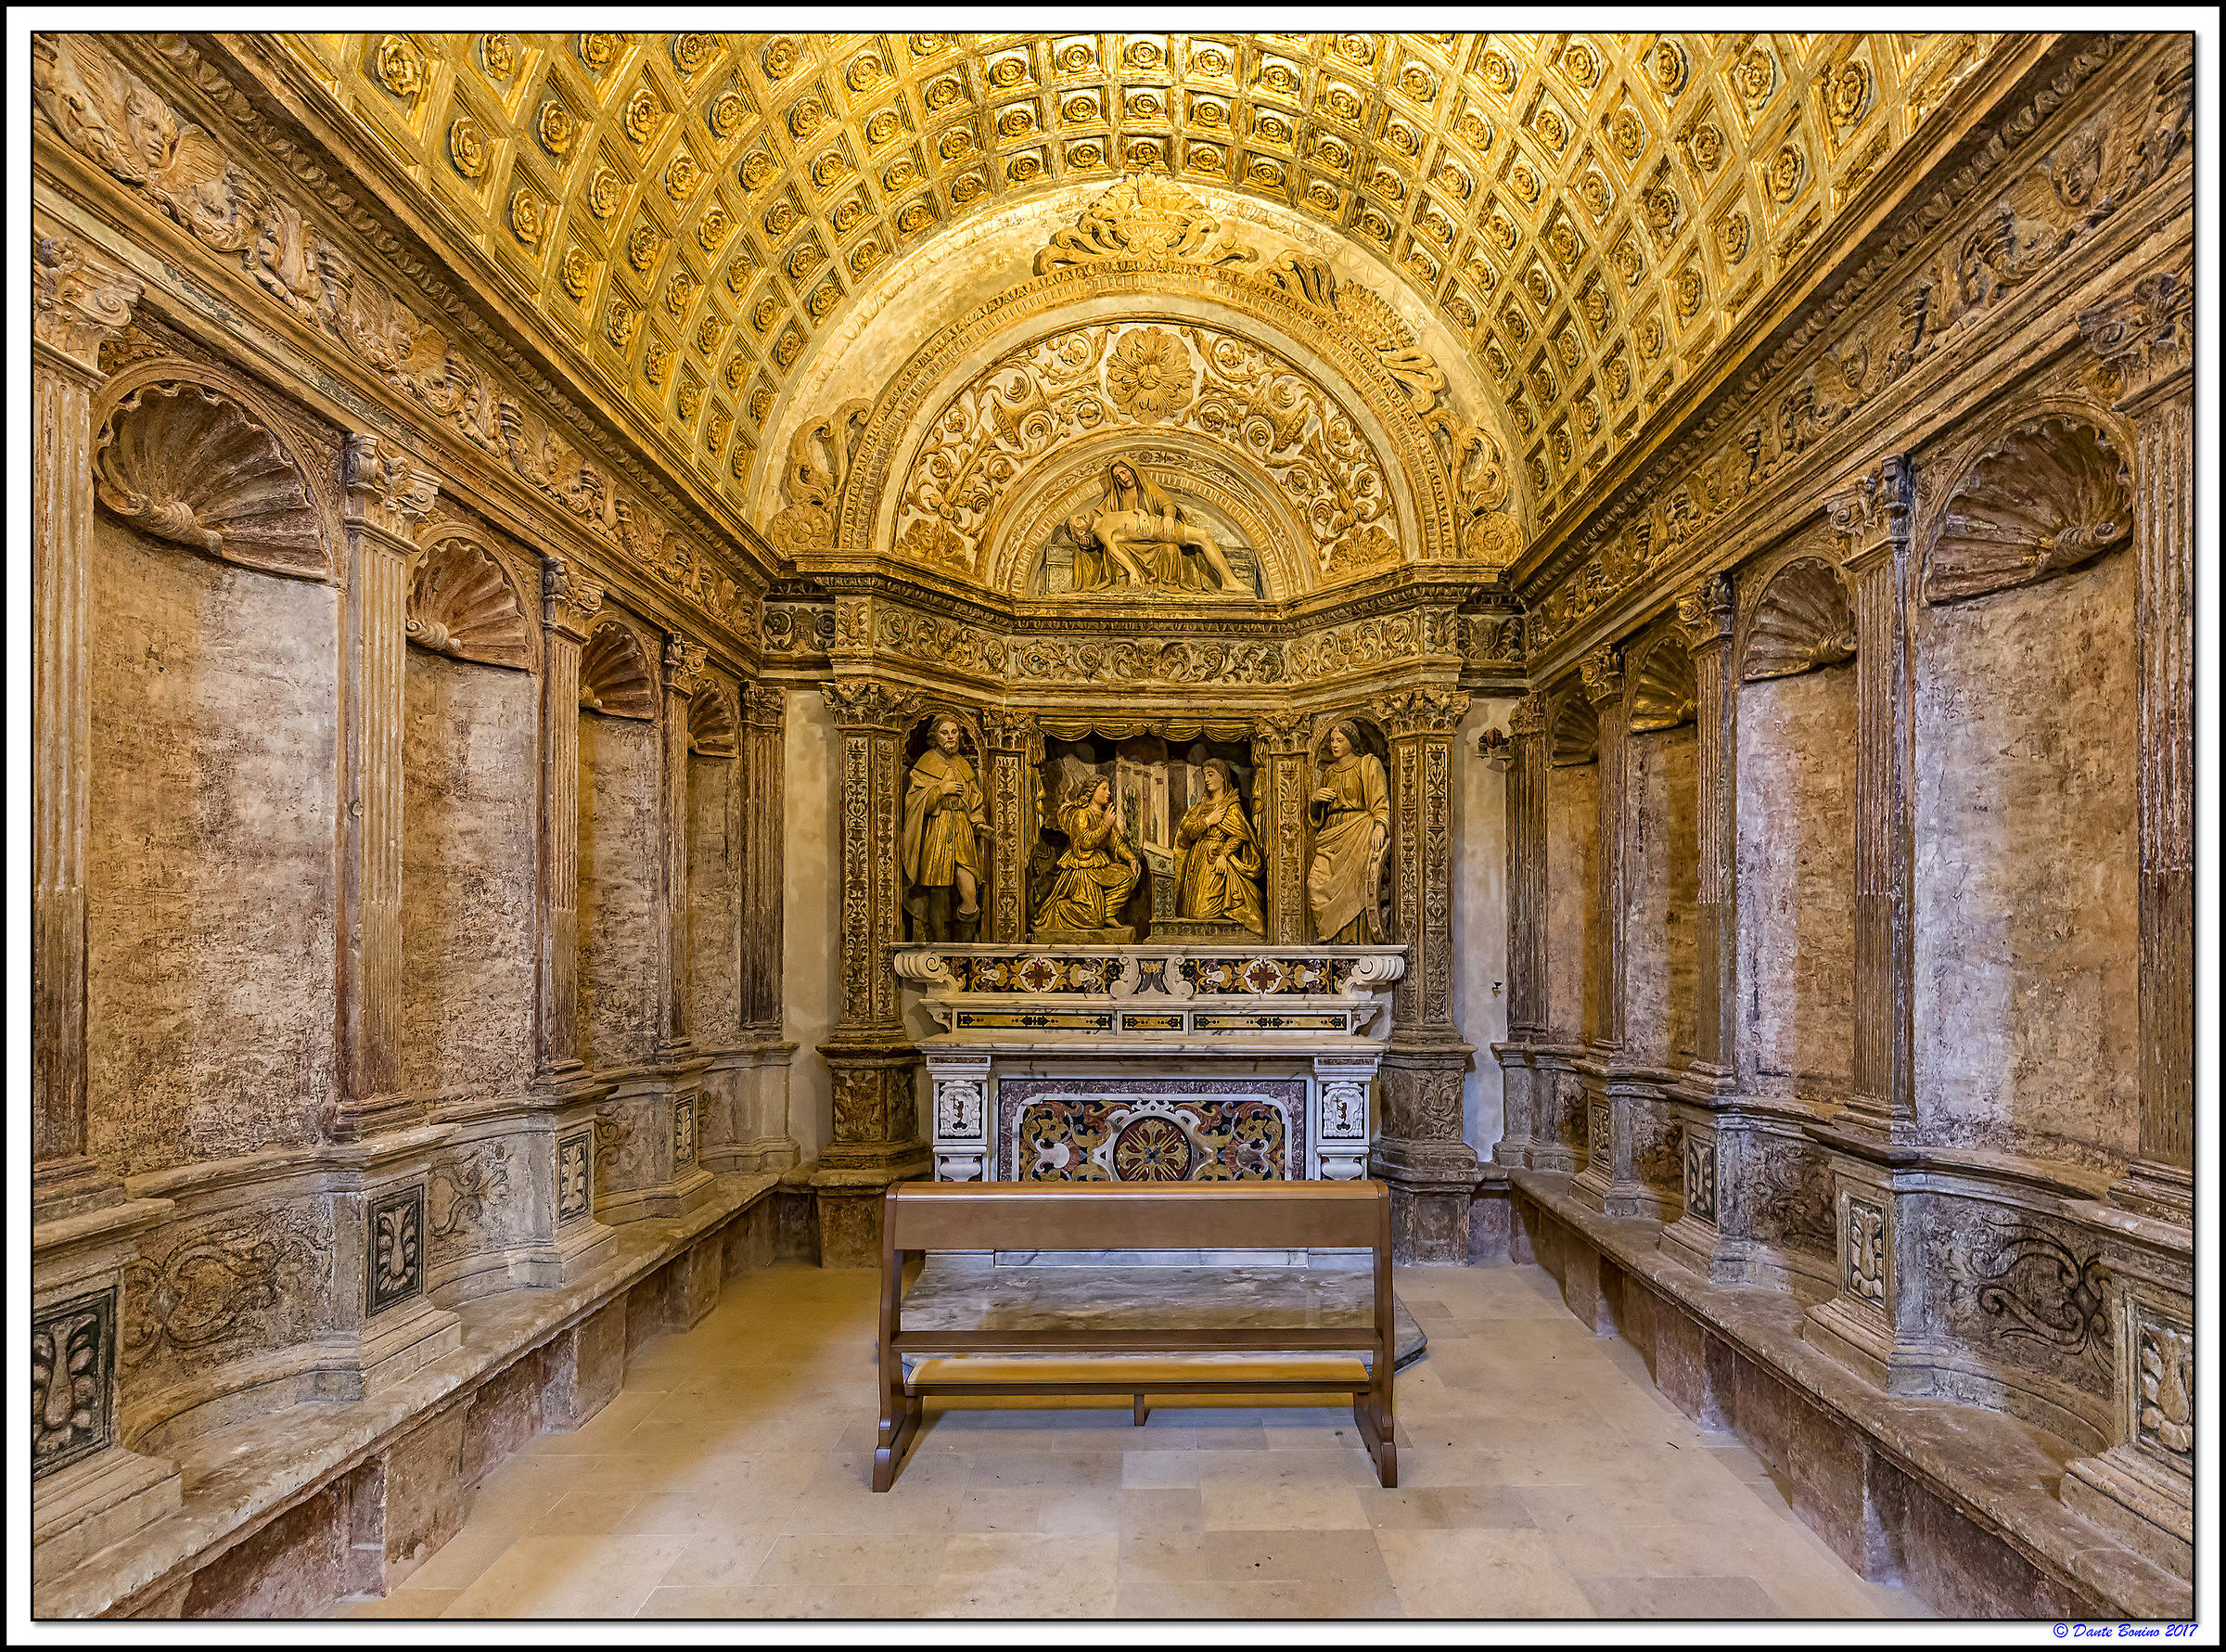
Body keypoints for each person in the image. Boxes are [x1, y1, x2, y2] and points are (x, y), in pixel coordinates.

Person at [1065, 460, 1243, 594]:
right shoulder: (1111, 502)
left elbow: (1166, 503)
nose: (1122, 478)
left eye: (1125, 473)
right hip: (1144, 536)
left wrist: (1167, 517)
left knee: (1202, 535)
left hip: (1159, 526)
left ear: (1133, 471)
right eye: (1118, 477)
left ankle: (1229, 581)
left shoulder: (1148, 488)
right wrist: (1085, 539)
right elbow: (1098, 523)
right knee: (1202, 536)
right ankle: (1229, 581)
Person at [900, 715, 987, 942]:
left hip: (962, 827)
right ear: (935, 737)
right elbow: (914, 803)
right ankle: (940, 945)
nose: (950, 737)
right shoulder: (925, 763)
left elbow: (975, 799)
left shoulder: (963, 764)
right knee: (938, 889)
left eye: (955, 732)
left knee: (969, 890)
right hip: (936, 828)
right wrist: (941, 789)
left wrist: (978, 823)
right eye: (945, 732)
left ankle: (965, 948)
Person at [1306, 721, 1390, 943]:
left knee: (1355, 887)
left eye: (1339, 740)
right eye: (1332, 740)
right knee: (1315, 884)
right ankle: (1329, 935)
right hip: (1331, 833)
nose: (1334, 745)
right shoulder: (1329, 772)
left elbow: (1380, 798)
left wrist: (1380, 824)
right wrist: (1315, 801)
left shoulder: (1368, 764)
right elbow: (1318, 818)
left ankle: (1352, 939)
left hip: (1359, 831)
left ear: (1351, 742)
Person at [1037, 775, 1141, 935]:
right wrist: (1105, 825)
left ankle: (1108, 913)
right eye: (1104, 789)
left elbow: (1116, 842)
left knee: (1127, 875)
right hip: (1082, 869)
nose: (1108, 793)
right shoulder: (1081, 814)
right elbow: (1084, 842)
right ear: (1092, 792)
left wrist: (1131, 858)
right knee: (1093, 919)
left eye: (1109, 789)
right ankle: (1059, 908)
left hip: (1098, 866)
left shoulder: (1104, 815)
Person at [1172, 759, 1264, 933]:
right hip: (1197, 861)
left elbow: (1240, 834)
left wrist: (1224, 854)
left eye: (1210, 774)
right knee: (1190, 911)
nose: (1206, 779)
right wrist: (1208, 821)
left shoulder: (1231, 806)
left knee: (1202, 912)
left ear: (1222, 777)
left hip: (1216, 861)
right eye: (1204, 775)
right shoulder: (1200, 807)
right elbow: (1187, 830)